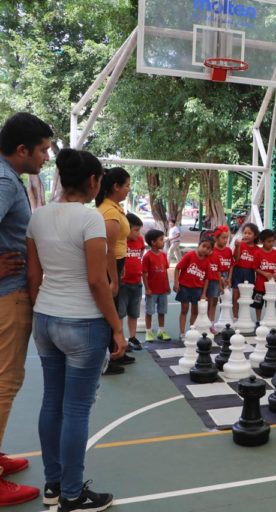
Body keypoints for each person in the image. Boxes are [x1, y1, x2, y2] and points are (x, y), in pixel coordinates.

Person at [27, 148, 126, 511]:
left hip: (46, 320)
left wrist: (44, 310)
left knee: (52, 402)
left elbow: (34, 277)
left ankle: (53, 485)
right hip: (83, 324)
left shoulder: (38, 217)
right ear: (93, 181)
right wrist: (117, 328)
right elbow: (97, 282)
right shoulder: (90, 220)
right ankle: (72, 494)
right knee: (77, 409)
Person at [0, 112, 52, 506]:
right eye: (43, 150)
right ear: (22, 150)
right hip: (8, 296)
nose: (46, 158)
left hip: (10, 292)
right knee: (5, 384)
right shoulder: (4, 180)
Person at [96, 166, 134, 371]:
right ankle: (107, 358)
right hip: (109, 266)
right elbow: (108, 250)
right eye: (126, 185)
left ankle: (116, 352)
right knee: (108, 312)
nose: (129, 189)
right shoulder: (109, 212)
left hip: (116, 265)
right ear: (115, 186)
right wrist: (114, 279)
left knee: (114, 310)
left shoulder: (114, 208)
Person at [174, 237, 212, 336]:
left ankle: (191, 331)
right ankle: (182, 333)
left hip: (197, 289)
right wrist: (176, 283)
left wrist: (204, 293)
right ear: (199, 245)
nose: (205, 249)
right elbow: (177, 268)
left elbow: (207, 279)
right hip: (185, 287)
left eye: (208, 248)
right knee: (184, 309)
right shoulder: (190, 255)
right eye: (203, 246)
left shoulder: (207, 261)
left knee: (195, 311)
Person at [119, 213, 145, 351]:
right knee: (120, 313)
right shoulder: (120, 241)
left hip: (136, 282)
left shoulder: (140, 240)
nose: (138, 233)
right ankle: (120, 338)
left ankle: (132, 337)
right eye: (135, 230)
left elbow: (142, 251)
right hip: (123, 284)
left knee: (134, 312)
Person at [141, 229, 172, 342]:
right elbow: (144, 274)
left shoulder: (163, 255)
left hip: (163, 289)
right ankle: (148, 332)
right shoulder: (147, 256)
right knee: (149, 311)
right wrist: (147, 288)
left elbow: (165, 272)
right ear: (153, 242)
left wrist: (167, 285)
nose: (163, 242)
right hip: (152, 290)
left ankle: (161, 331)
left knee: (162, 311)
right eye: (161, 240)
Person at [231, 223, 259, 320]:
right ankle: (235, 317)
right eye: (245, 233)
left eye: (249, 233)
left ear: (255, 236)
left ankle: (244, 317)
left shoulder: (257, 249)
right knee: (235, 296)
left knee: (246, 297)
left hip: (250, 273)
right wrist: (238, 247)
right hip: (238, 272)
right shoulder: (240, 245)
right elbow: (236, 259)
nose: (246, 235)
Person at [252, 229, 276, 321]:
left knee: (271, 303)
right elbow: (255, 268)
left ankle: (270, 319)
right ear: (262, 241)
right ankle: (258, 321)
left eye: (273, 241)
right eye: (269, 241)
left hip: (272, 287)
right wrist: (264, 273)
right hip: (260, 286)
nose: (271, 243)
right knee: (258, 304)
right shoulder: (258, 253)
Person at [206, 225, 232, 326]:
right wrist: (220, 278)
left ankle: (220, 321)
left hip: (225, 276)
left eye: (227, 238)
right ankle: (208, 322)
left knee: (223, 299)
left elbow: (231, 265)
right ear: (216, 238)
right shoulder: (212, 251)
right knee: (211, 300)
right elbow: (215, 267)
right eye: (223, 238)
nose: (225, 240)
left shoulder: (228, 250)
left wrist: (229, 278)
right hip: (214, 277)